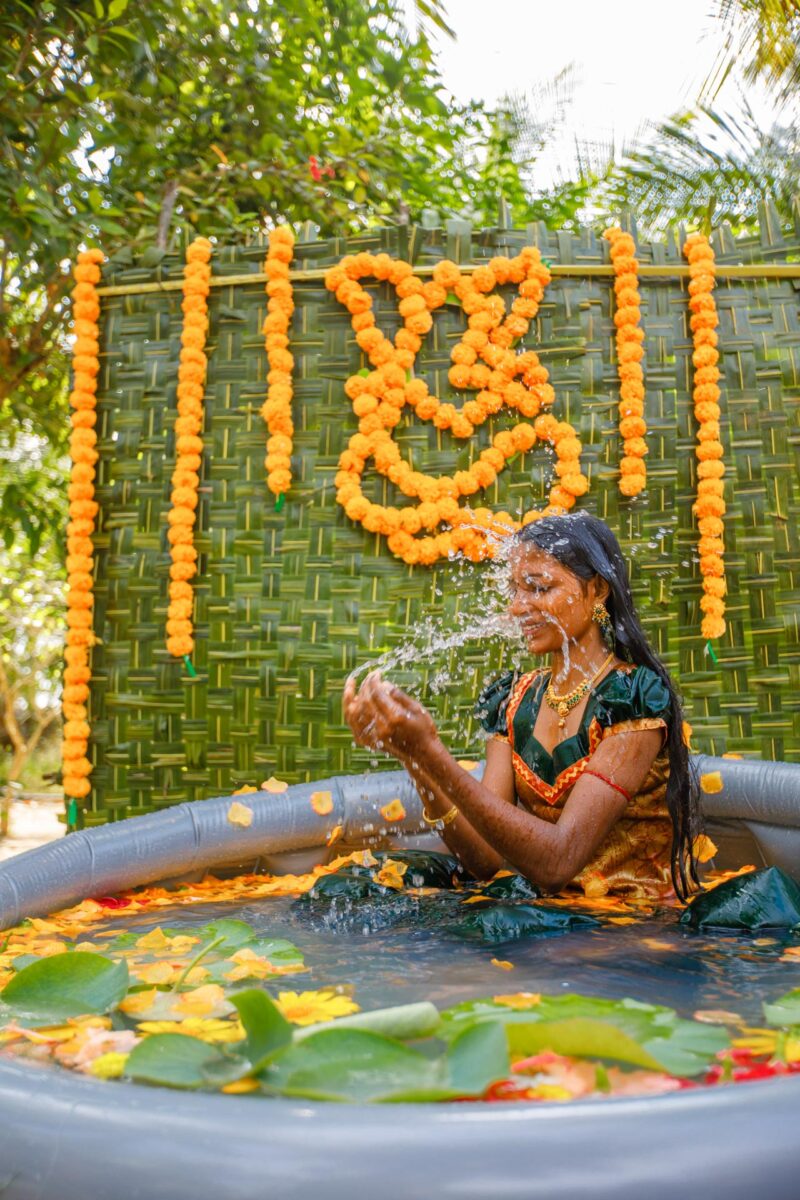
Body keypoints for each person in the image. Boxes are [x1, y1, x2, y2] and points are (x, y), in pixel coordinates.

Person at [343, 512, 701, 901]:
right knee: (354, 889)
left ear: (597, 590)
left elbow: (557, 863)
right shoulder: (516, 700)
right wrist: (414, 759)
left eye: (538, 588)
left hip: (626, 932)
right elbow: (483, 860)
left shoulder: (632, 699)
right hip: (546, 925)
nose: (517, 608)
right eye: (515, 590)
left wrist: (432, 752)